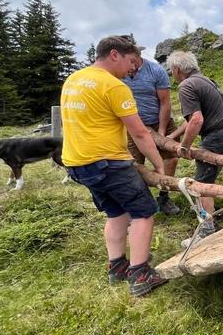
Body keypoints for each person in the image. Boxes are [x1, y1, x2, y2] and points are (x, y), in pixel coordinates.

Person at [61, 35, 167, 297]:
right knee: (143, 212)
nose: (134, 68)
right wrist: (159, 165)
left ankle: (117, 266)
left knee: (116, 212)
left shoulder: (74, 80)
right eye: (131, 61)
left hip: (78, 163)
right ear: (115, 55)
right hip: (108, 163)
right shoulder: (113, 86)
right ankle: (141, 274)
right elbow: (140, 133)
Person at [165, 51, 223, 231]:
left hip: (217, 136)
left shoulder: (186, 86)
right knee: (208, 178)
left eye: (171, 70)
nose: (171, 73)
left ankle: (207, 230)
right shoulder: (205, 80)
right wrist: (173, 136)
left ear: (177, 69)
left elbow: (197, 120)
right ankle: (210, 217)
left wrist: (184, 147)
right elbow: (192, 120)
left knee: (199, 186)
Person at [122, 42, 181, 215]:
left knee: (171, 159)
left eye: (133, 60)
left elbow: (165, 102)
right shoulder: (118, 75)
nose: (130, 65)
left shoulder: (156, 71)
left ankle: (164, 196)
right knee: (133, 164)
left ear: (138, 56)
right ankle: (140, 200)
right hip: (132, 124)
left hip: (158, 120)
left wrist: (162, 131)